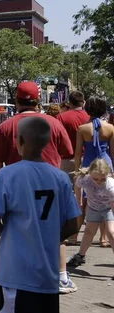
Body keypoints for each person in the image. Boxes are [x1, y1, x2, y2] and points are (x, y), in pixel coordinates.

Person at [0, 117, 81, 313]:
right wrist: (46, 239)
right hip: (47, 275)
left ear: (19, 141)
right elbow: (74, 224)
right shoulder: (61, 178)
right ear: (47, 143)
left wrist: (16, 237)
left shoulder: (6, 175)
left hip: (15, 274)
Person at [0, 81, 77, 295]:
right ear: (38, 101)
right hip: (52, 188)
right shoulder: (52, 124)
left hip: (17, 191)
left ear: (17, 100)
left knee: (19, 233)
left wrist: (1, 187)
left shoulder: (6, 126)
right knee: (55, 231)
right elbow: (68, 154)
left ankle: (23, 274)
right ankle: (62, 276)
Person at [74, 96, 114, 247]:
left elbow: (78, 152)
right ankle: (103, 238)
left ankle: (78, 234)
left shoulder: (82, 128)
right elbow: (113, 152)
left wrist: (77, 170)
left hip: (88, 163)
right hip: (105, 163)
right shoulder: (110, 128)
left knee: (85, 199)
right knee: (107, 200)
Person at [57, 91, 90, 245]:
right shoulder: (89, 116)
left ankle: (71, 232)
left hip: (68, 159)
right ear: (82, 102)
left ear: (69, 103)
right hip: (89, 159)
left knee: (69, 196)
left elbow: (58, 138)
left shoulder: (63, 117)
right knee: (90, 197)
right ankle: (92, 230)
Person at [67, 158, 114, 267]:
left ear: (108, 175)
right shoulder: (84, 179)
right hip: (93, 208)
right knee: (89, 232)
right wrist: (78, 201)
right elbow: (77, 186)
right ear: (90, 173)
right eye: (95, 179)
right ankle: (80, 256)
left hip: (108, 208)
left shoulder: (111, 186)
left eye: (102, 179)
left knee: (111, 233)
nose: (98, 182)